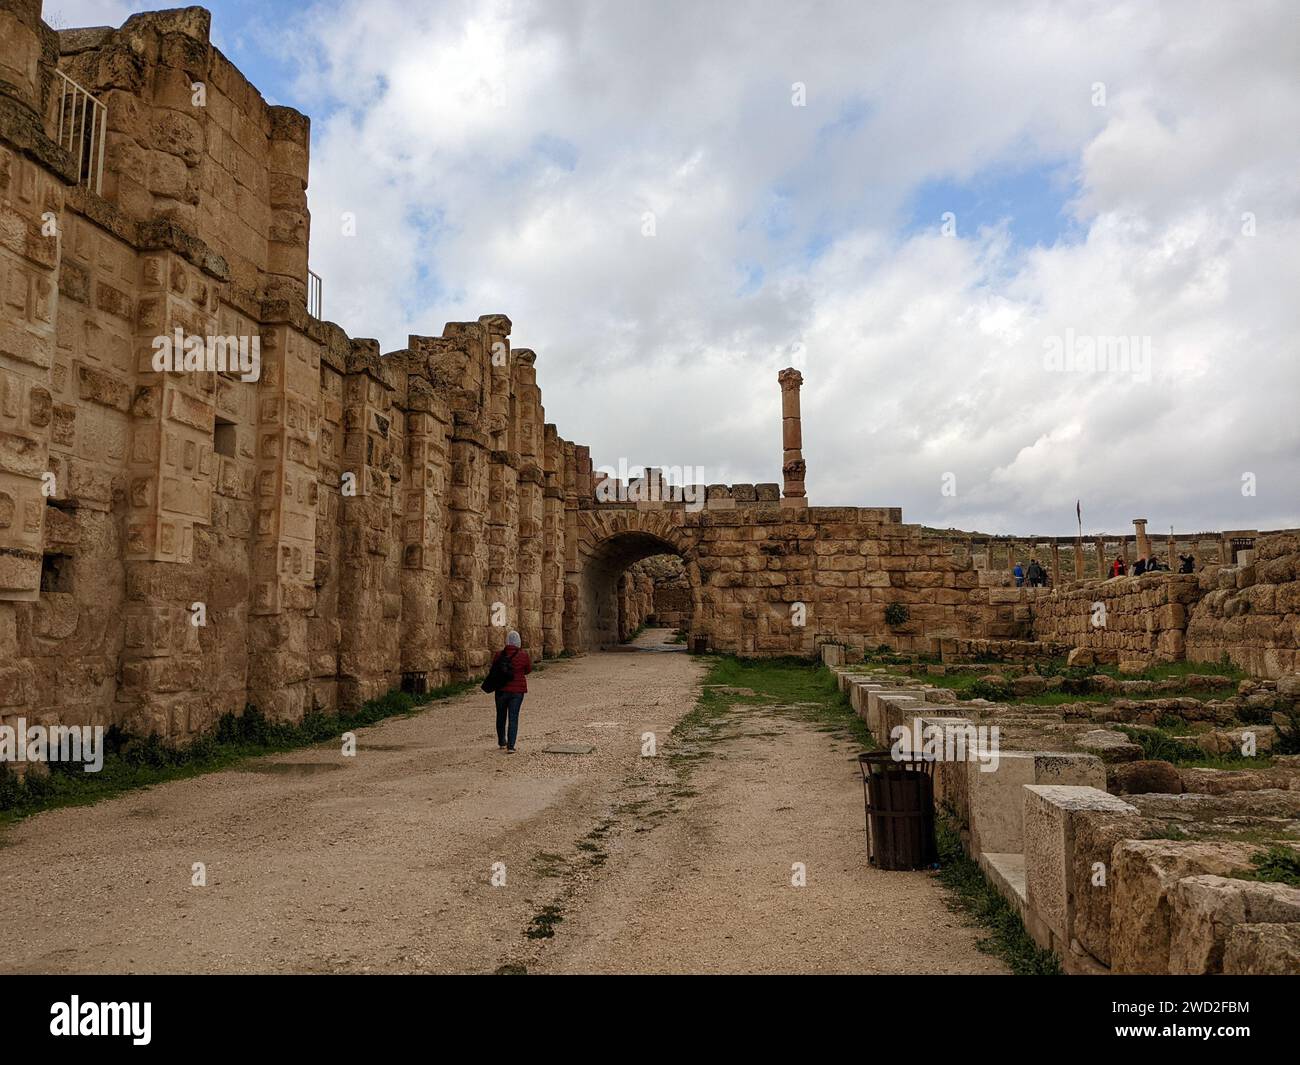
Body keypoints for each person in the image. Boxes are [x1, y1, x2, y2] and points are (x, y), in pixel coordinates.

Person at [491, 630, 532, 753]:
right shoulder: (523, 655)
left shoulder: (499, 655)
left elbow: (494, 669)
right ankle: (511, 746)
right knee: (513, 717)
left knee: (501, 716)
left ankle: (502, 741)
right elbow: (528, 670)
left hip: (501, 690)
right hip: (517, 691)